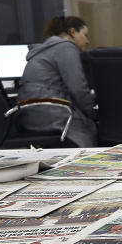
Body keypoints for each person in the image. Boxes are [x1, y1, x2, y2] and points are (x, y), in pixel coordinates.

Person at [17, 16, 97, 147]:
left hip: (30, 115)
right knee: (90, 127)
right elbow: (78, 89)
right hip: (50, 113)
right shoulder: (65, 47)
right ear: (72, 32)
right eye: (85, 34)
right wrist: (92, 113)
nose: (87, 40)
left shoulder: (46, 49)